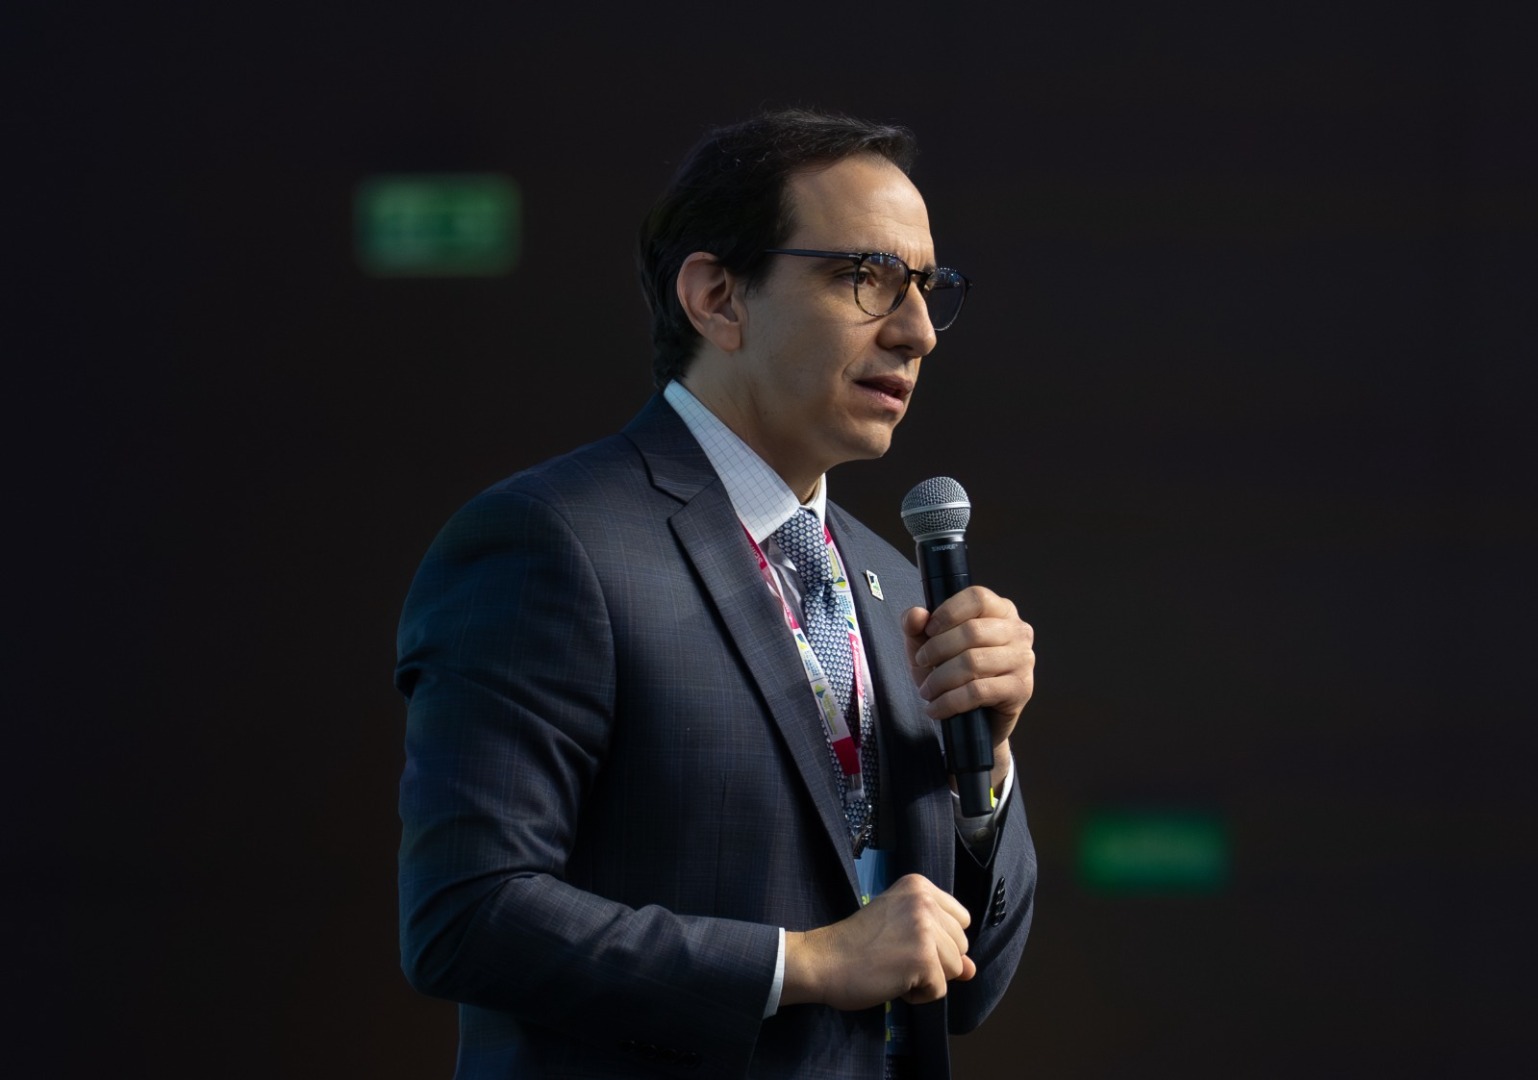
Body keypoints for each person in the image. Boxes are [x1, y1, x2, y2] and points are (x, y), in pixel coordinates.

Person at [396, 109, 1038, 1079]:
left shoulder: (899, 588)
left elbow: (967, 989)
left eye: (926, 288)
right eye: (866, 277)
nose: (915, 332)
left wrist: (980, 773)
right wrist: (802, 965)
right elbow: (465, 914)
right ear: (717, 298)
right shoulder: (551, 542)